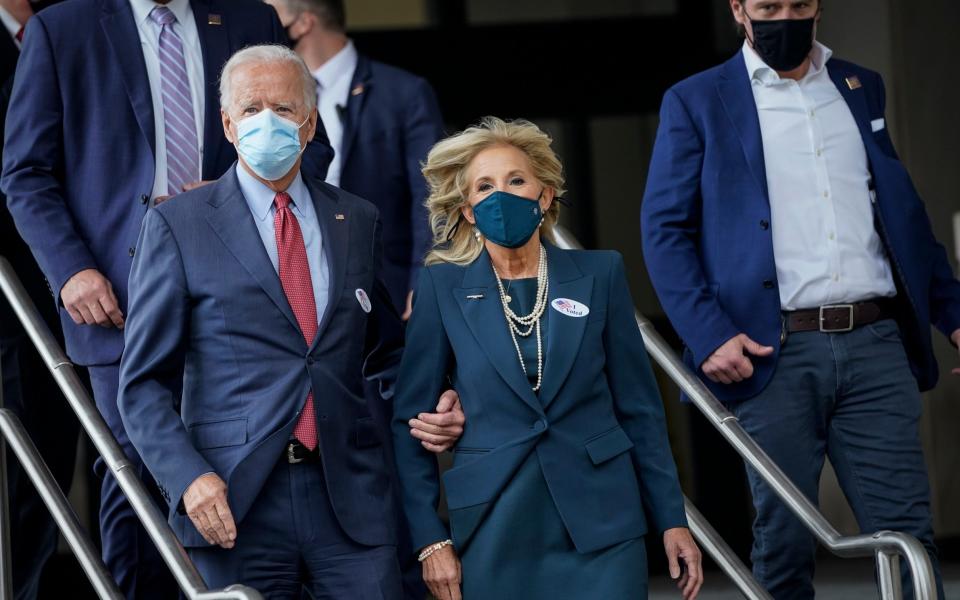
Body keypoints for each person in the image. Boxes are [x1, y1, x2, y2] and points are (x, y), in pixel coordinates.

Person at [0, 0, 339, 596]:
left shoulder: (249, 19)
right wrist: (71, 269)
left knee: (244, 462)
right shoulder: (63, 28)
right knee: (138, 469)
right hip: (114, 298)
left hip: (239, 294)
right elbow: (25, 173)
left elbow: (315, 147)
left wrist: (244, 187)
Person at [117, 44, 462, 599]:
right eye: (251, 109)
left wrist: (437, 397)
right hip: (232, 504)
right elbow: (140, 385)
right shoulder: (177, 226)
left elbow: (385, 352)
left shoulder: (356, 218)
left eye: (283, 108)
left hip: (350, 499)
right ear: (228, 125)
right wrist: (188, 479)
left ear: (309, 124)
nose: (266, 122)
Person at [640, 1, 960, 598]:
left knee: (909, 537)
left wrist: (954, 314)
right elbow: (664, 230)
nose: (784, 17)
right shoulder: (697, 99)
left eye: (798, 5)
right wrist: (708, 332)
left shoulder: (860, 85)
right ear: (738, 9)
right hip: (772, 351)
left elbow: (903, 219)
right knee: (784, 544)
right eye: (768, 6)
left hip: (875, 342)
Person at [392, 117, 703, 600]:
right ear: (469, 210)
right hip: (495, 523)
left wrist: (671, 519)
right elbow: (409, 421)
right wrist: (431, 540)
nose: (502, 195)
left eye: (516, 180)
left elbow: (639, 409)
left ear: (544, 194)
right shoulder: (442, 287)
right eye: (485, 186)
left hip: (602, 522)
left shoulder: (601, 273)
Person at [267, 0, 444, 319]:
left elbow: (432, 194)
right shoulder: (265, 100)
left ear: (304, 23)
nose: (259, 23)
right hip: (294, 284)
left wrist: (426, 280)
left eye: (271, 13)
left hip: (386, 285)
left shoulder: (403, 93)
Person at [0, 2, 80, 598]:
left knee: (65, 448)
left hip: (88, 281)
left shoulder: (76, 18)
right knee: (22, 453)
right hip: (13, 288)